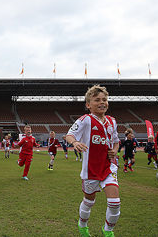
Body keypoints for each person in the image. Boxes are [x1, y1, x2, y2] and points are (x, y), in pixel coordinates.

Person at [66, 85, 120, 237]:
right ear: (88, 104)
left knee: (114, 202)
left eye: (104, 99)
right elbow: (70, 135)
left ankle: (108, 231)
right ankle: (82, 225)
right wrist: (75, 143)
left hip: (109, 168)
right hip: (90, 170)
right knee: (89, 202)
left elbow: (116, 141)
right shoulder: (85, 120)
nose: (102, 102)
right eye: (97, 100)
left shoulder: (112, 121)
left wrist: (115, 150)